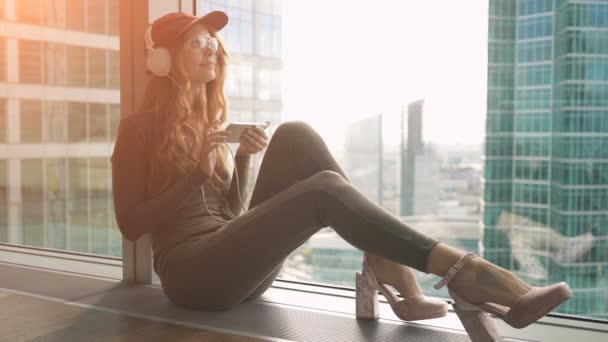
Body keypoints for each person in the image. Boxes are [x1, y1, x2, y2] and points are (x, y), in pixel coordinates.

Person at [111, 10, 573, 341]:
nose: (211, 50)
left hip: (235, 268)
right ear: (162, 59)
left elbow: (230, 215)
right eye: (196, 42)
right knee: (325, 191)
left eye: (213, 43)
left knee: (295, 134)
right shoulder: (137, 130)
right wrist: (195, 174)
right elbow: (131, 224)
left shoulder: (211, 126)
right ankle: (463, 271)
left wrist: (244, 158)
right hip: (194, 279)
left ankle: (384, 262)